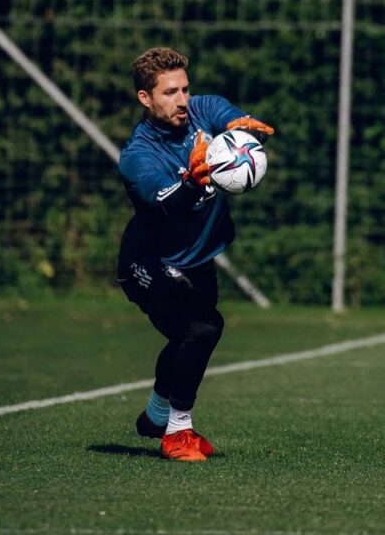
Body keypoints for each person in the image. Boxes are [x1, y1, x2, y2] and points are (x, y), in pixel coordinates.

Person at [116, 47, 274, 461]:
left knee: (190, 338)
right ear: (145, 98)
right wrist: (195, 178)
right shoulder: (138, 156)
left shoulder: (198, 110)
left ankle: (155, 417)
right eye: (169, 92)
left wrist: (240, 124)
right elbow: (166, 203)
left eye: (185, 88)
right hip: (149, 263)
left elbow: (222, 111)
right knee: (202, 329)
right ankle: (176, 433)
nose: (182, 100)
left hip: (196, 258)